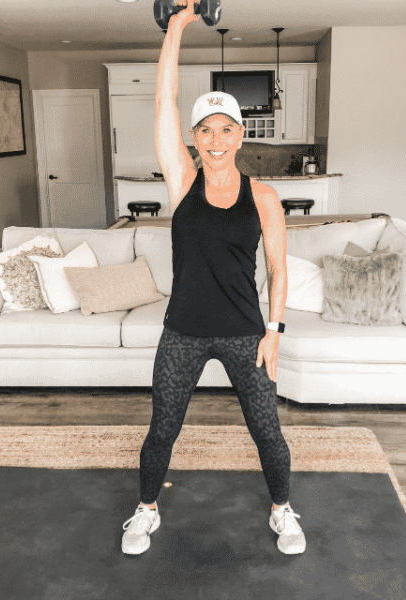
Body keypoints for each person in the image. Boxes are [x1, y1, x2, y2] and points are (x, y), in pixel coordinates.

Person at [121, 0, 305, 556]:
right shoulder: (182, 183)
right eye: (206, 129)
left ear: (240, 136)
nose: (216, 138)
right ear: (195, 138)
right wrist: (177, 25)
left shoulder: (264, 196)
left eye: (227, 129)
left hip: (247, 333)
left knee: (267, 431)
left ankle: (282, 509)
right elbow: (162, 102)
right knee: (162, 430)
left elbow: (277, 267)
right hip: (183, 332)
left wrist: (274, 329)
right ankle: (145, 509)